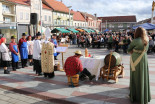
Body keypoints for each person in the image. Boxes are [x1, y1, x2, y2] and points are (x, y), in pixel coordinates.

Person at [128, 27, 151, 104]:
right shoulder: (147, 40)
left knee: (135, 77)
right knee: (143, 76)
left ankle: (135, 96)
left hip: (135, 60)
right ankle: (144, 96)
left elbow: (128, 50)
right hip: (144, 59)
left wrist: (132, 45)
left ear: (136, 33)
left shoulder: (135, 40)